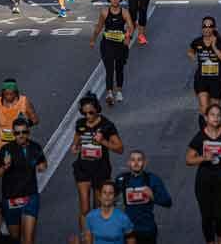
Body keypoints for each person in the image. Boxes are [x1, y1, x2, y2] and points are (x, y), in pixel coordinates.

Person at [71, 93, 124, 236]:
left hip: (101, 170)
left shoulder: (107, 125)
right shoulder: (80, 124)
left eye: (91, 112)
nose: (87, 116)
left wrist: (103, 142)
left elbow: (120, 148)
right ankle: (86, 237)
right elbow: (75, 144)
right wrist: (75, 147)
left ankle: (97, 235)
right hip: (82, 169)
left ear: (97, 110)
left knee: (98, 207)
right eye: (84, 113)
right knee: (85, 207)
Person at [0, 115, 46, 244]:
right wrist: (4, 167)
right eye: (17, 132)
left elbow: (42, 163)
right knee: (15, 239)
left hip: (30, 197)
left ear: (28, 132)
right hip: (11, 198)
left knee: (29, 240)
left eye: (24, 132)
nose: (21, 135)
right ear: (13, 134)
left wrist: (42, 166)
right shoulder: (6, 150)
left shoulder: (36, 147)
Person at [186, 103, 221, 244]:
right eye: (212, 115)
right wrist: (203, 158)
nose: (216, 118)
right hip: (204, 180)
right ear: (206, 118)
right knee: (207, 216)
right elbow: (189, 159)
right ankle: (210, 241)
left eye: (219, 115)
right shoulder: (200, 137)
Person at [113, 150, 173, 243]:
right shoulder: (122, 179)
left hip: (147, 229)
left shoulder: (152, 179)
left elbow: (168, 202)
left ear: (145, 162)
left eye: (139, 160)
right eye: (133, 160)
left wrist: (153, 196)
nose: (136, 163)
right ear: (128, 163)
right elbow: (110, 198)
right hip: (129, 228)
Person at [91, 0, 135, 105]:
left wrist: (128, 36)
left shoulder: (124, 12)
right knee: (109, 69)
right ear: (109, 0)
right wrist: (93, 39)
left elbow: (131, 26)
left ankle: (119, 91)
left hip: (121, 45)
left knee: (119, 68)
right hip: (107, 44)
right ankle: (109, 93)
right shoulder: (105, 12)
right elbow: (99, 26)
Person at [189, 16, 221, 122]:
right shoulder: (197, 42)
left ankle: (214, 132)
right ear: (202, 28)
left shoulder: (220, 43)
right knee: (204, 108)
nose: (207, 29)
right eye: (204, 26)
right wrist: (192, 56)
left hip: (216, 80)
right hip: (201, 79)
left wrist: (214, 48)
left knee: (214, 111)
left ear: (214, 28)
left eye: (210, 26)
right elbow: (190, 50)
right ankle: (204, 133)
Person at [0, 78, 39, 151]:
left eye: (11, 94)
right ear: (2, 93)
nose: (8, 96)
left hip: (20, 145)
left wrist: (24, 125)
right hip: (1, 146)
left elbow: (35, 120)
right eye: (6, 94)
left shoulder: (24, 102)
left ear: (16, 93)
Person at [84, 180, 135, 244]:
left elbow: (131, 240)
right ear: (99, 196)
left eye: (110, 193)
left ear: (115, 197)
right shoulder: (90, 217)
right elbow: (88, 240)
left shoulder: (123, 218)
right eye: (104, 192)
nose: (107, 196)